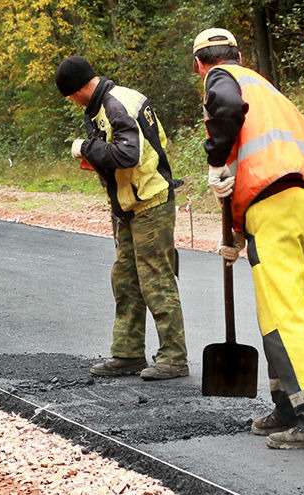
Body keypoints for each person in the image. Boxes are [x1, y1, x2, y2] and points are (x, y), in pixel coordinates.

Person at [192, 28, 304, 450]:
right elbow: (265, 161)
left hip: (273, 203)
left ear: (200, 64)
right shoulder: (273, 94)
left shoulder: (221, 80)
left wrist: (215, 158)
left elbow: (225, 110)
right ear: (240, 54)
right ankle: (289, 406)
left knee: (284, 313)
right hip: (297, 202)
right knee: (273, 309)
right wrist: (240, 235)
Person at [55, 55, 189, 380]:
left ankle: (174, 357)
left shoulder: (117, 105)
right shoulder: (102, 107)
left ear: (77, 89)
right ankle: (128, 353)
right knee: (126, 279)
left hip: (151, 202)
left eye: (71, 96)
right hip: (128, 206)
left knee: (155, 278)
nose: (73, 103)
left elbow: (129, 154)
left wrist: (86, 148)